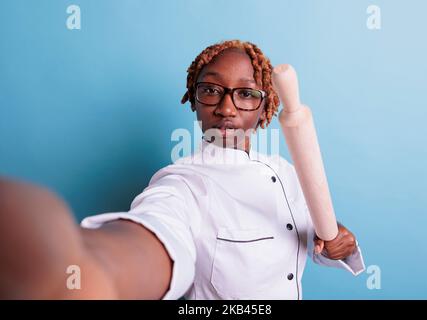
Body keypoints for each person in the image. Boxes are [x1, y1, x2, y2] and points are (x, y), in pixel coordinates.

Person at [0, 40, 364, 300]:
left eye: (246, 94)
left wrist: (335, 242)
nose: (226, 108)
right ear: (193, 100)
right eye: (211, 90)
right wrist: (96, 270)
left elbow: (305, 234)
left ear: (265, 108)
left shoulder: (286, 171)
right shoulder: (185, 183)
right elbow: (158, 230)